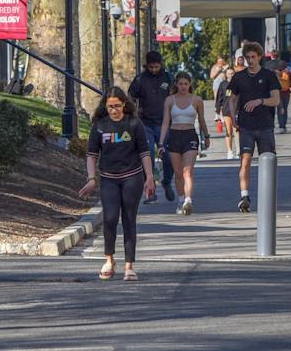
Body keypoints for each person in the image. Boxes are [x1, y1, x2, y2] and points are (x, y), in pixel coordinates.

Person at [80, 87, 156, 279]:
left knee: (129, 219)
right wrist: (91, 178)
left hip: (132, 176)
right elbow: (91, 155)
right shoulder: (99, 126)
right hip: (108, 178)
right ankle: (109, 259)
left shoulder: (134, 123)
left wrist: (149, 177)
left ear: (124, 105)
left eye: (117, 106)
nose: (114, 110)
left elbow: (144, 153)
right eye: (110, 106)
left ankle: (129, 266)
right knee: (110, 218)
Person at [226, 40, 284, 211]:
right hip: (246, 126)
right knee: (245, 160)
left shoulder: (269, 76)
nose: (250, 60)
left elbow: (276, 100)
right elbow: (232, 96)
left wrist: (260, 101)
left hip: (265, 126)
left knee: (268, 162)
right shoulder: (239, 77)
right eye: (247, 57)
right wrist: (233, 113)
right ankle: (244, 196)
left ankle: (269, 197)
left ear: (259, 57)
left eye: (253, 57)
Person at [128, 49, 175, 201]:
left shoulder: (168, 77)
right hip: (145, 122)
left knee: (168, 156)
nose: (154, 70)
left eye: (156, 66)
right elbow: (130, 96)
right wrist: (134, 111)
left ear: (161, 65)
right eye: (151, 67)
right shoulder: (140, 79)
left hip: (164, 123)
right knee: (147, 154)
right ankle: (150, 188)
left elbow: (176, 95)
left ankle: (166, 181)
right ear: (146, 65)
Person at [161, 72, 206, 213]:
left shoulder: (197, 100)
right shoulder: (169, 100)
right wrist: (161, 143)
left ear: (190, 84)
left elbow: (202, 120)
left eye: (186, 84)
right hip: (174, 136)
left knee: (188, 170)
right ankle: (181, 200)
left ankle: (188, 200)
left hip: (190, 136)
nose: (183, 87)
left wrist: (207, 136)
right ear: (176, 84)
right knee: (178, 172)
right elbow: (165, 122)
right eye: (180, 84)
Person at [212, 58, 239, 159]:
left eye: (232, 73)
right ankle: (229, 151)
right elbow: (219, 97)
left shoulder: (238, 83)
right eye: (229, 73)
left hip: (237, 109)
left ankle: (238, 150)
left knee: (237, 129)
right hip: (227, 110)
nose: (231, 75)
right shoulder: (223, 84)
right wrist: (217, 110)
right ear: (226, 75)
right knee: (229, 131)